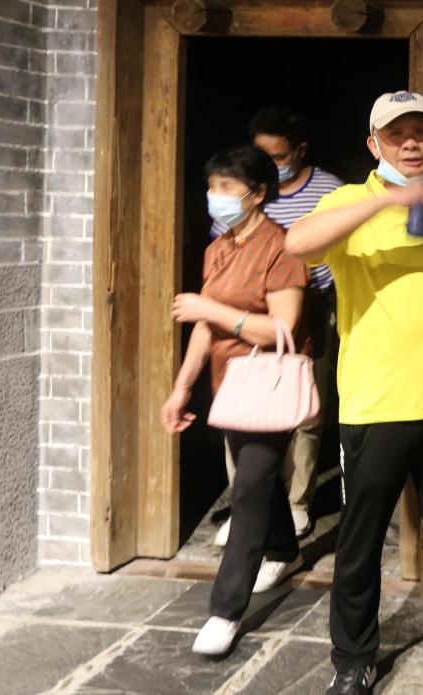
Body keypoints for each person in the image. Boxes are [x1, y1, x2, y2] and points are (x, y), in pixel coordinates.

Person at [284, 91, 423, 695]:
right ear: (374, 144)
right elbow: (297, 244)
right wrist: (394, 199)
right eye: (396, 133)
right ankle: (353, 661)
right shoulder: (348, 202)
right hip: (376, 404)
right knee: (359, 546)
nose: (411, 143)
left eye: (421, 132)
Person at [159, 144, 310, 657]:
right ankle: (285, 549)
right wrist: (181, 389)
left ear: (258, 193)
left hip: (267, 385)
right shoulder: (218, 248)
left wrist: (213, 310)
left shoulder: (282, 248)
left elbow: (282, 326)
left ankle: (225, 611)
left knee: (247, 489)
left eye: (226, 187)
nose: (215, 196)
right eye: (212, 187)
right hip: (229, 385)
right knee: (257, 482)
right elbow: (204, 328)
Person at [213, 107, 344, 544]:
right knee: (240, 406)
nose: (269, 163)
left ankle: (296, 502)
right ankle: (247, 504)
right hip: (247, 310)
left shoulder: (329, 191)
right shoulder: (238, 191)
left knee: (303, 406)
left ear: (300, 150)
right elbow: (223, 248)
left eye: (279, 155)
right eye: (261, 154)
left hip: (311, 305)